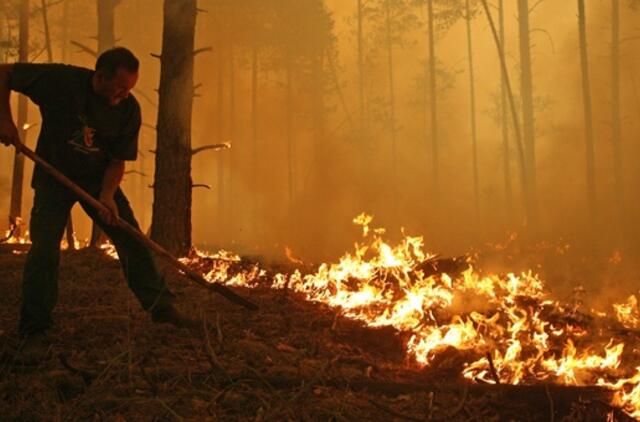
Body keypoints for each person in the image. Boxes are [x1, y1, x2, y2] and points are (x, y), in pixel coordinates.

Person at [0, 47, 196, 354]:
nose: (124, 94)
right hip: (54, 176)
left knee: (131, 238)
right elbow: (4, 72)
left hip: (97, 180)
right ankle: (34, 327)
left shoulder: (129, 110)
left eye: (130, 88)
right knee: (44, 251)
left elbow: (118, 160)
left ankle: (162, 308)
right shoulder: (61, 81)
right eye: (119, 87)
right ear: (100, 76)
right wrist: (5, 120)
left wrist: (106, 196)